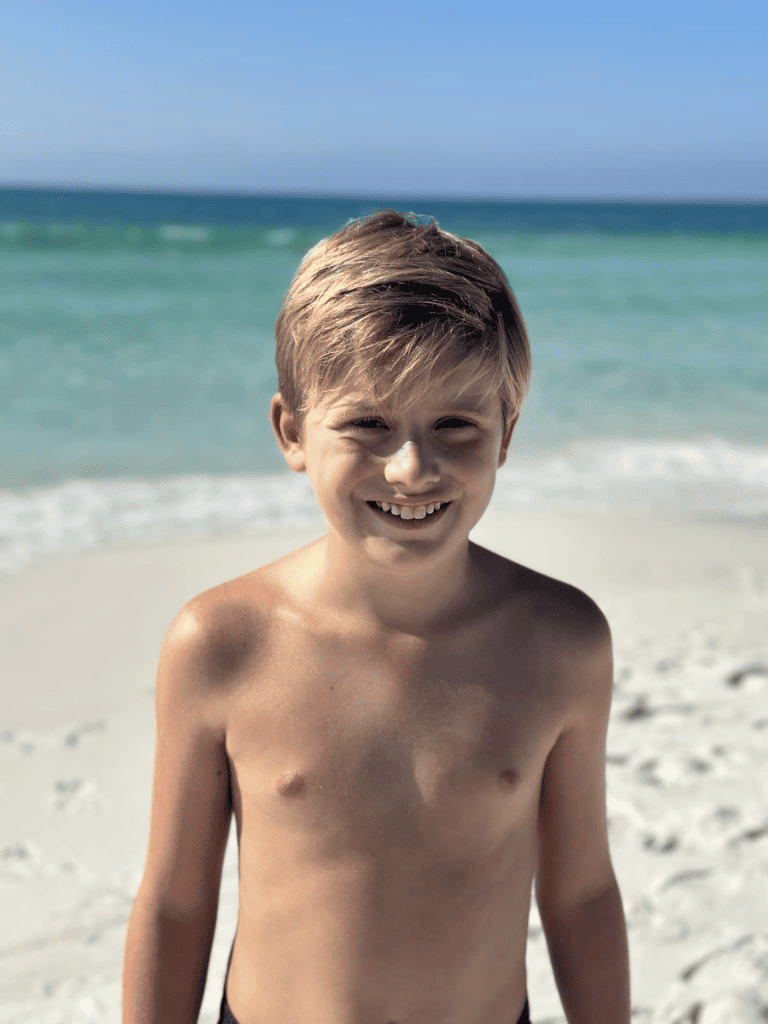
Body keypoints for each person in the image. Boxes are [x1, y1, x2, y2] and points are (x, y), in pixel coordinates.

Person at [122, 210, 631, 1024]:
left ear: (505, 436)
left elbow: (581, 892)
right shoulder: (220, 644)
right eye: (367, 422)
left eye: (455, 424)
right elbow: (176, 905)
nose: (412, 466)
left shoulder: (561, 642)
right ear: (292, 432)